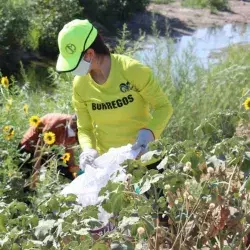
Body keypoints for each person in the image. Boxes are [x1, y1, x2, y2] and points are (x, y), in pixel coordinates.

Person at [56, 19, 173, 170]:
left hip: (145, 159)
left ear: (90, 54)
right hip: (110, 165)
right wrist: (88, 150)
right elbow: (85, 128)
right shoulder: (80, 84)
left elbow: (164, 107)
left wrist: (149, 134)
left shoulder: (132, 70)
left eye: (74, 63)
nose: (73, 70)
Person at [19, 113, 79, 188]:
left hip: (45, 151)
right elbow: (38, 152)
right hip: (28, 148)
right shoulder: (54, 125)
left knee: (65, 168)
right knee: (26, 182)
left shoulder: (77, 129)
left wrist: (73, 170)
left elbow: (69, 151)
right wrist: (35, 176)